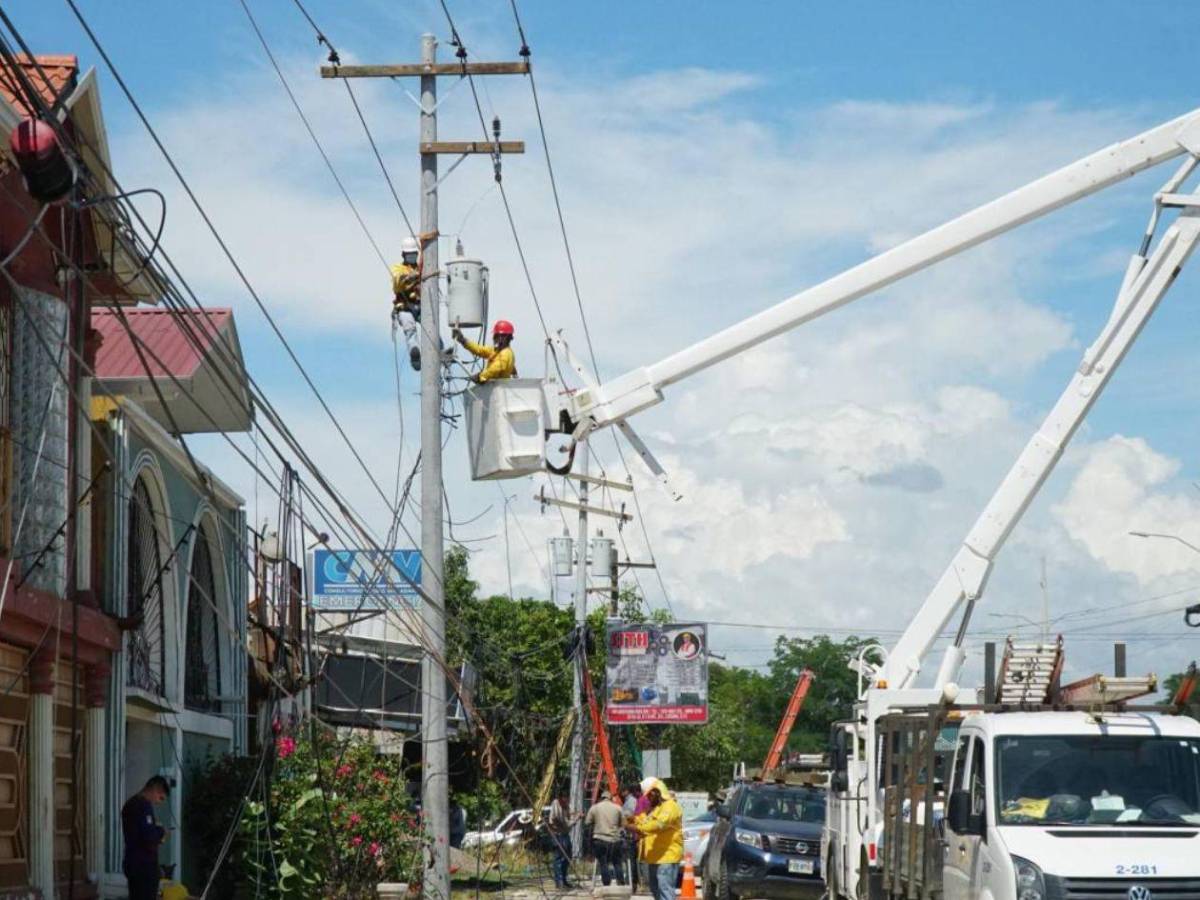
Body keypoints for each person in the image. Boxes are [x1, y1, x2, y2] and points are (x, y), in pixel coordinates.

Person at [628, 778, 683, 900]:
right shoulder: (658, 808)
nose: (647, 799)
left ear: (656, 792)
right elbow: (647, 820)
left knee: (665, 891)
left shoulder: (670, 807)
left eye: (649, 796)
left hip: (667, 857)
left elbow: (658, 825)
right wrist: (633, 819)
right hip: (655, 857)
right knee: (656, 890)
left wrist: (637, 828)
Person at [122, 776, 169, 900]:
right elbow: (148, 836)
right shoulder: (142, 806)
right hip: (143, 866)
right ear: (155, 789)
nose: (159, 802)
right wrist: (161, 832)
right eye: (161, 797)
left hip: (134, 863)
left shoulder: (131, 803)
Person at [390, 236, 423, 371]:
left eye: (414, 254)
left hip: (421, 306)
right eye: (409, 254)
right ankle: (414, 353)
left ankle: (440, 349)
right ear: (403, 255)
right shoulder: (398, 268)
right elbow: (397, 281)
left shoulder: (423, 268)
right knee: (410, 329)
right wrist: (410, 276)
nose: (412, 257)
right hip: (404, 307)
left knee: (432, 327)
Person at [453, 319, 517, 384]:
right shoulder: (497, 351)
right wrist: (463, 340)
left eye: (496, 335)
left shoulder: (506, 353)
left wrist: (481, 377)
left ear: (503, 337)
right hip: (494, 389)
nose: (494, 338)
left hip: (499, 390)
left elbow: (495, 369)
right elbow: (479, 350)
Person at [585, 789, 627, 886]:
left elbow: (587, 822)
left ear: (601, 798)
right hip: (615, 840)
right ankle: (621, 882)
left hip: (600, 840)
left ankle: (606, 884)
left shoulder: (594, 808)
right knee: (617, 863)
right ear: (610, 798)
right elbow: (624, 824)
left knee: (603, 863)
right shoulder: (618, 808)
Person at [547, 789, 579, 889]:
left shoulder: (567, 807)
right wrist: (576, 819)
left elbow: (568, 818)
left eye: (567, 799)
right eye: (564, 799)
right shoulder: (556, 804)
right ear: (560, 799)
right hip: (558, 835)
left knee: (567, 857)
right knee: (559, 859)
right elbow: (559, 820)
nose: (566, 801)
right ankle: (559, 882)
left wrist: (574, 815)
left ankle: (564, 880)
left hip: (565, 834)